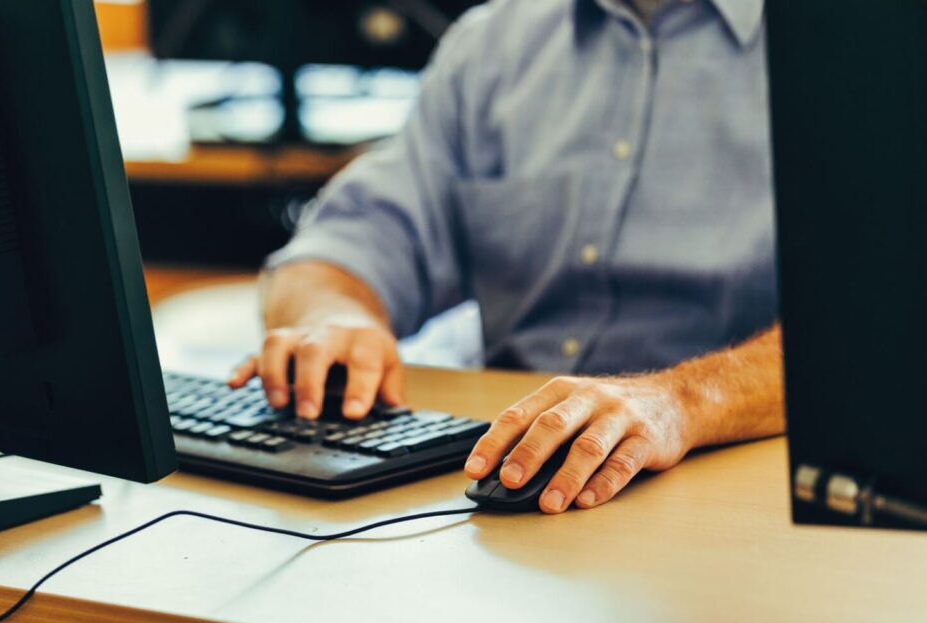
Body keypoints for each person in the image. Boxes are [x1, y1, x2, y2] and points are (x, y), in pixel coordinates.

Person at [229, 0, 785, 514]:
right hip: (509, 479)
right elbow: (345, 244)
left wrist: (679, 402)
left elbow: (868, 336)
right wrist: (335, 318)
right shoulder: (494, 43)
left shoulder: (852, 44)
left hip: (727, 496)